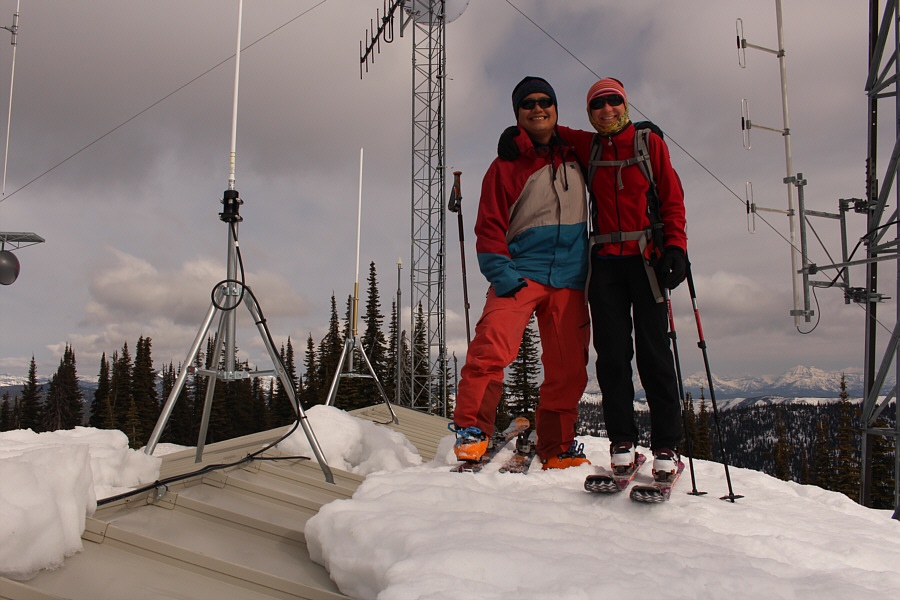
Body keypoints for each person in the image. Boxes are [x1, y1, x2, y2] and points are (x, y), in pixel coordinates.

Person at [498, 78, 687, 480]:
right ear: (589, 112)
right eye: (598, 104)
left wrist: (677, 247)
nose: (607, 110)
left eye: (614, 102)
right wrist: (514, 134)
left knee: (655, 353)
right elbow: (546, 128)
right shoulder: (589, 145)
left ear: (625, 104)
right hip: (604, 263)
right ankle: (622, 443)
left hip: (647, 260)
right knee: (613, 356)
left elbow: (672, 198)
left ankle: (667, 446)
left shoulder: (649, 145)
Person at [450, 76, 592, 470]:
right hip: (520, 274)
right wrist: (503, 275)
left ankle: (557, 447)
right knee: (490, 350)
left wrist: (642, 136)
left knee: (568, 368)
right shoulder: (506, 165)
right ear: (518, 114)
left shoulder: (576, 153)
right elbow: (489, 226)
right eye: (527, 103)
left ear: (556, 108)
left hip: (570, 280)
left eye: (545, 100)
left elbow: (610, 139)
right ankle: (472, 433)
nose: (537, 108)